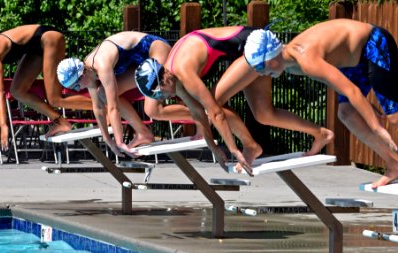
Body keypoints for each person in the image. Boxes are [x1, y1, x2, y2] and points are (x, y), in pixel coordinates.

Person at [135, 26, 334, 173]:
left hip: (253, 47)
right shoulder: (173, 77)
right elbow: (198, 114)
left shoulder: (183, 72)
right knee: (264, 114)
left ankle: (250, 146)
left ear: (164, 78)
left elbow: (216, 113)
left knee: (215, 101)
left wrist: (232, 149)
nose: (166, 98)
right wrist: (212, 146)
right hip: (243, 55)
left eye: (162, 94)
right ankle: (320, 133)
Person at [243, 18, 398, 187]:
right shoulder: (290, 64)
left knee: (394, 118)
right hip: (353, 59)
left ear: (271, 55)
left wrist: (377, 129)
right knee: (346, 113)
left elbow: (351, 91)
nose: (262, 73)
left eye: (260, 67)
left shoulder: (305, 60)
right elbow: (341, 86)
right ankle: (394, 164)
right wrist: (366, 108)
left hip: (374, 43)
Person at [0, 25, 92, 151]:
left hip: (48, 38)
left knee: (54, 99)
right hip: (35, 48)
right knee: (17, 91)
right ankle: (60, 122)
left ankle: (103, 107)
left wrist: (4, 126)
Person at [56, 31, 176, 157]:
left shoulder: (101, 65)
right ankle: (143, 133)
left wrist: (119, 141)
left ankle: (196, 118)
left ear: (82, 75)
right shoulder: (89, 72)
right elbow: (97, 107)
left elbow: (114, 107)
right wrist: (108, 140)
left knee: (152, 110)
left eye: (76, 85)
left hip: (155, 49)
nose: (78, 89)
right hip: (142, 62)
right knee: (101, 94)